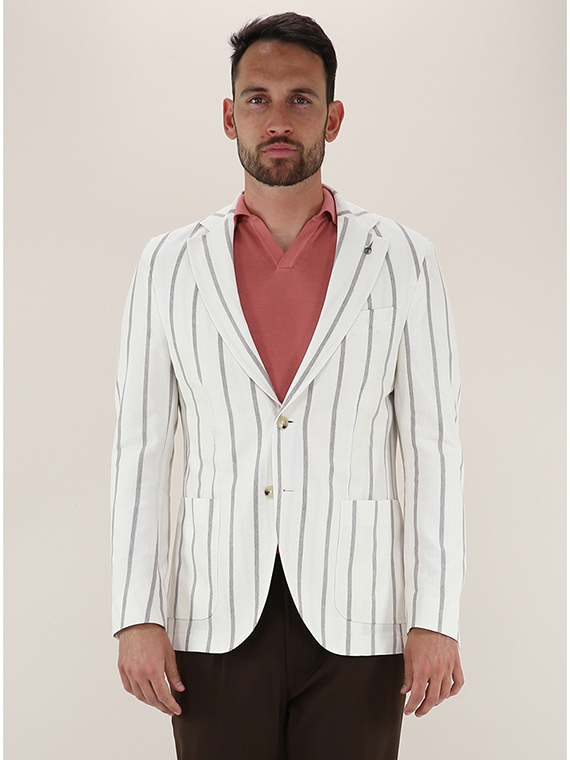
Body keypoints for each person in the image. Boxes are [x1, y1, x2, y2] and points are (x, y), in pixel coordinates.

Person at [111, 12, 465, 760]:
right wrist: (136, 612)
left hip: (358, 612)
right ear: (229, 116)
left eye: (301, 99)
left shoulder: (404, 259)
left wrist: (435, 616)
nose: (278, 118)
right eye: (258, 98)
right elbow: (140, 448)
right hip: (213, 610)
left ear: (332, 118)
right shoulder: (167, 264)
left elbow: (435, 449)